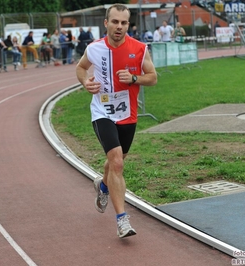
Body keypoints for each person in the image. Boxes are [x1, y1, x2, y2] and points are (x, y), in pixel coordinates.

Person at [75, 3, 157, 238]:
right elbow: (81, 68)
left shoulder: (140, 49)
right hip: (102, 111)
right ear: (106, 23)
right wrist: (85, 82)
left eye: (124, 23)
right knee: (117, 162)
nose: (119, 27)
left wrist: (134, 78)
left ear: (128, 25)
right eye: (115, 22)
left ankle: (103, 186)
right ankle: (122, 220)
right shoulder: (94, 48)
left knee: (115, 163)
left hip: (127, 114)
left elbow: (152, 78)